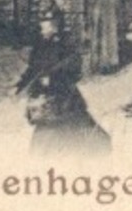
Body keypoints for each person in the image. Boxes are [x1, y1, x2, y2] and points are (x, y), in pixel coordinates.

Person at [19, 12, 110, 158]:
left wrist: (55, 73)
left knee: (73, 120)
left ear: (55, 28)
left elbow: (74, 65)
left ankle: (94, 146)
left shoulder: (64, 44)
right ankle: (44, 152)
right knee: (45, 121)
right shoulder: (39, 45)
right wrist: (22, 83)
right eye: (42, 26)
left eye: (47, 26)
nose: (43, 30)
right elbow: (33, 67)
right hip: (44, 92)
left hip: (63, 90)